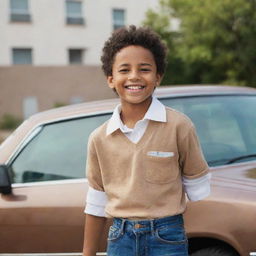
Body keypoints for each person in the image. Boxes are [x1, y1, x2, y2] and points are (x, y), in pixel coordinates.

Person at [83, 25, 211, 256]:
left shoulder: (179, 127)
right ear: (111, 79)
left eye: (144, 69)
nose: (134, 76)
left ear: (157, 77)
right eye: (124, 69)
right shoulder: (99, 139)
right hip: (120, 238)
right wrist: (88, 254)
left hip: (167, 236)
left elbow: (199, 192)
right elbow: (96, 202)